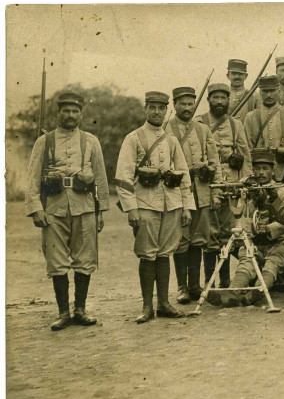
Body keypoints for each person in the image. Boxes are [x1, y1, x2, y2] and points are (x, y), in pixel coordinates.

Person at [25, 91, 110, 330]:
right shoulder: (44, 141)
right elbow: (32, 178)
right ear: (59, 113)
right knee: (56, 260)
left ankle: (80, 310)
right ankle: (63, 312)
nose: (71, 115)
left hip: (84, 207)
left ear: (81, 114)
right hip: (53, 208)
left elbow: (101, 178)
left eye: (75, 111)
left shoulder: (91, 141)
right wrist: (35, 209)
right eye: (66, 111)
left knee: (85, 259)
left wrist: (100, 210)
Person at [115, 91, 194, 323]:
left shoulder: (170, 141)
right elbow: (124, 176)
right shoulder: (134, 138)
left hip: (171, 203)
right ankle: (147, 306)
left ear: (167, 110)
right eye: (153, 107)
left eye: (161, 108)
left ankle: (164, 303)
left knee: (165, 252)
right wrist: (131, 208)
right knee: (147, 254)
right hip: (145, 203)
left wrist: (187, 206)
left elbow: (184, 174)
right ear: (145, 109)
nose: (157, 112)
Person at [207, 149, 284, 307]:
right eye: (257, 168)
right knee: (246, 263)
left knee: (272, 264)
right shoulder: (246, 190)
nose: (261, 173)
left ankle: (258, 292)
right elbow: (239, 214)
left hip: (277, 242)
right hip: (253, 242)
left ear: (273, 170)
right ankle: (233, 292)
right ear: (252, 170)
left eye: (265, 168)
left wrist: (268, 227)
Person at [166, 86, 222, 304]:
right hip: (178, 193)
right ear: (175, 105)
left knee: (199, 240)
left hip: (201, 192)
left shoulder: (203, 130)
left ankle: (195, 285)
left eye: (191, 104)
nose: (187, 108)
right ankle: (182, 288)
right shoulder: (167, 129)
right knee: (181, 239)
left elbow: (214, 162)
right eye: (183, 104)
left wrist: (216, 190)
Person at [197, 82, 252, 288]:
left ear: (228, 100)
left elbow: (245, 156)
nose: (219, 102)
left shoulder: (235, 125)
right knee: (208, 234)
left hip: (230, 188)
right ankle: (208, 280)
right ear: (209, 100)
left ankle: (225, 280)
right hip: (207, 186)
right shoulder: (200, 122)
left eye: (223, 98)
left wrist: (245, 182)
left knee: (227, 234)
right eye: (215, 98)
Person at [244, 75, 284, 182]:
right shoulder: (250, 117)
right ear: (260, 93)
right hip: (260, 173)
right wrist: (250, 172)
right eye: (265, 91)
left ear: (278, 91)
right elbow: (247, 148)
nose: (269, 95)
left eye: (272, 91)